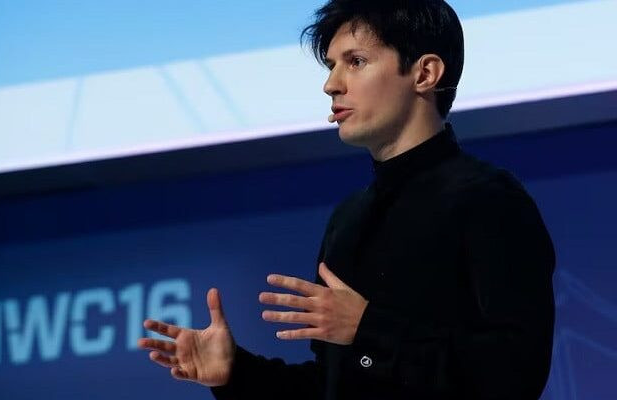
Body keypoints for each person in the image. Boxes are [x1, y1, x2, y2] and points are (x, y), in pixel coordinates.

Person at [138, 1, 556, 399]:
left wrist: (367, 328)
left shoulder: (488, 198)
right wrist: (235, 373)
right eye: (331, 65)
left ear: (425, 73)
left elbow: (514, 374)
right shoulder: (349, 217)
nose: (331, 84)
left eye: (355, 62)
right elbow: (332, 387)